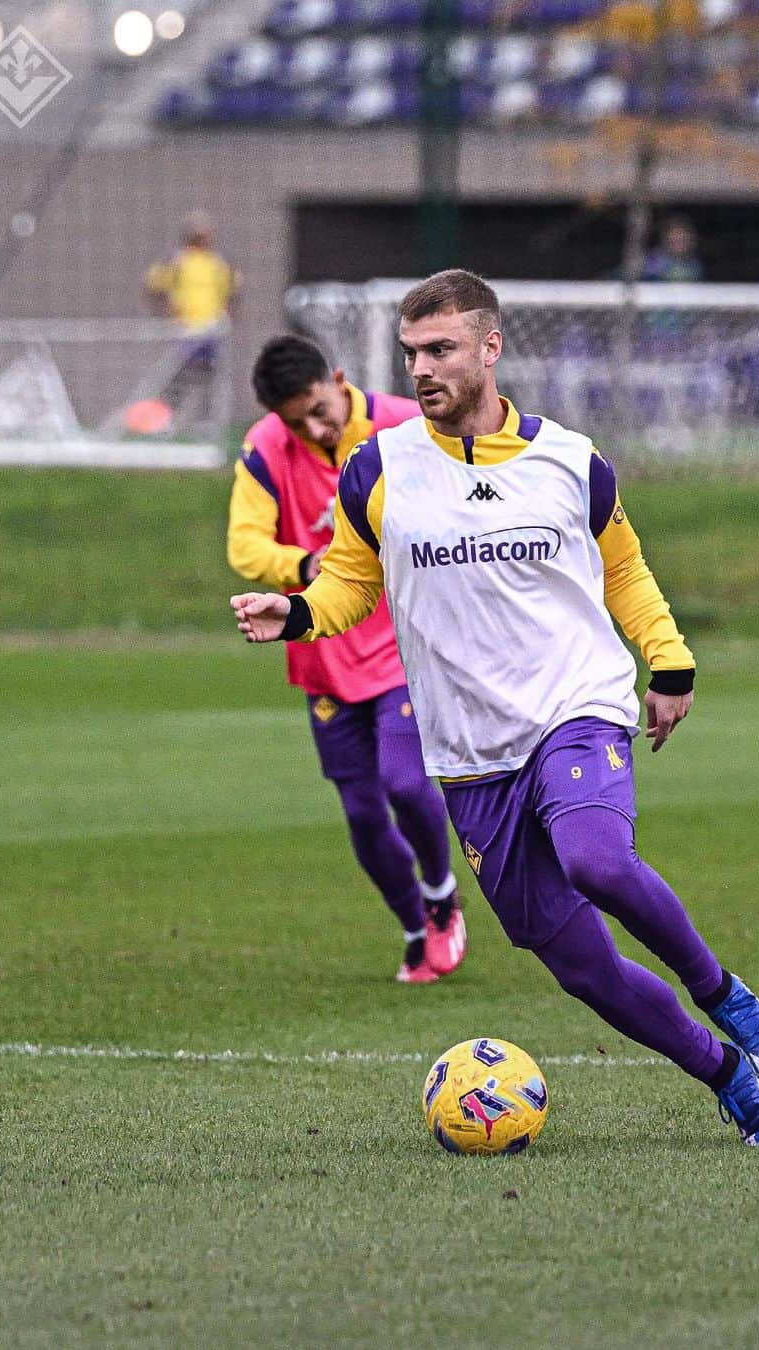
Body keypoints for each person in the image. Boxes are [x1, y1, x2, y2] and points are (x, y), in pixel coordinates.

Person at [231, 270, 759, 1146]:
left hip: (576, 706)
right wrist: (296, 613)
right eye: (412, 352)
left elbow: (625, 571)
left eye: (443, 349)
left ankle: (726, 995)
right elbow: (349, 585)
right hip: (470, 753)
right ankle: (727, 1076)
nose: (423, 368)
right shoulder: (379, 470)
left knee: (597, 860)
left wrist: (670, 661)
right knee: (581, 969)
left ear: (490, 349)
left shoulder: (570, 461)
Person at [227, 333, 466, 984]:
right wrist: (301, 564)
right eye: (294, 419)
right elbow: (245, 546)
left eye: (316, 407)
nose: (312, 425)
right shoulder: (265, 447)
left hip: (402, 643)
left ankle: (442, 892)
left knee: (404, 782)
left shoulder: (403, 426)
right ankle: (417, 927)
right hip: (321, 647)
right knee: (361, 811)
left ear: (337, 379)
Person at [145, 212, 241, 428]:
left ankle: (207, 422)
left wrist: (229, 314)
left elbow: (232, 290)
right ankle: (163, 419)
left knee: (211, 377)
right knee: (178, 375)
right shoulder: (178, 260)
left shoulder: (217, 262)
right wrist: (166, 309)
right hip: (186, 329)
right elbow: (155, 284)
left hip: (212, 329)